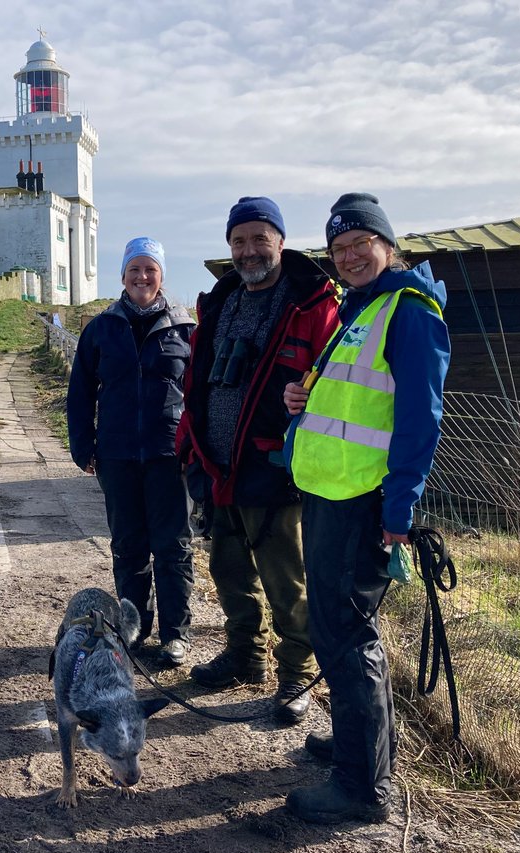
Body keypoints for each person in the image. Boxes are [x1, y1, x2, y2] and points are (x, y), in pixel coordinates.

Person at [282, 192, 450, 823]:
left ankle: (362, 787)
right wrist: (304, 401)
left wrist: (399, 508)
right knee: (337, 628)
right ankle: (360, 744)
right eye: (339, 249)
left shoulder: (407, 311)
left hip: (363, 501)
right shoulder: (362, 309)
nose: (349, 256)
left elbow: (419, 419)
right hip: (331, 493)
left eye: (360, 244)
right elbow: (357, 404)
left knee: (346, 634)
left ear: (387, 246)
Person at [177, 197, 339, 722]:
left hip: (276, 471)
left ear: (280, 241)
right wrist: (188, 447)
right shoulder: (221, 304)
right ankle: (244, 655)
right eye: (239, 241)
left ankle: (295, 675)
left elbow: (337, 383)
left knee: (285, 580)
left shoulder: (314, 304)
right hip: (218, 465)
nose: (249, 250)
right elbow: (197, 381)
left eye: (259, 238)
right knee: (228, 570)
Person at [67, 237, 196, 667]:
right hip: (117, 456)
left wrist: (195, 446)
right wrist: (84, 446)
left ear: (162, 276)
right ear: (122, 276)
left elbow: (200, 393)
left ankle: (176, 635)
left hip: (169, 455)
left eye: (150, 269)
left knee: (173, 545)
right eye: (134, 269)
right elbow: (81, 393)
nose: (142, 277)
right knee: (128, 546)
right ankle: (133, 629)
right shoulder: (101, 328)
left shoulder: (186, 328)